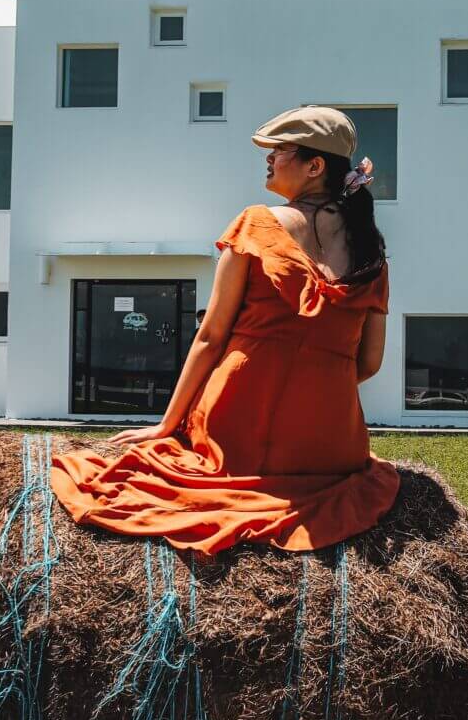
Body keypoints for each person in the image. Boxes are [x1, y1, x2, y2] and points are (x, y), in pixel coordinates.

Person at [50, 106, 399, 553]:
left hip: (240, 434)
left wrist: (165, 426)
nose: (268, 158)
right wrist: (314, 385)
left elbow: (211, 336)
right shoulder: (372, 254)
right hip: (333, 444)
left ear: (315, 166)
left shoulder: (257, 224)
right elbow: (369, 362)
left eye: (279, 151)